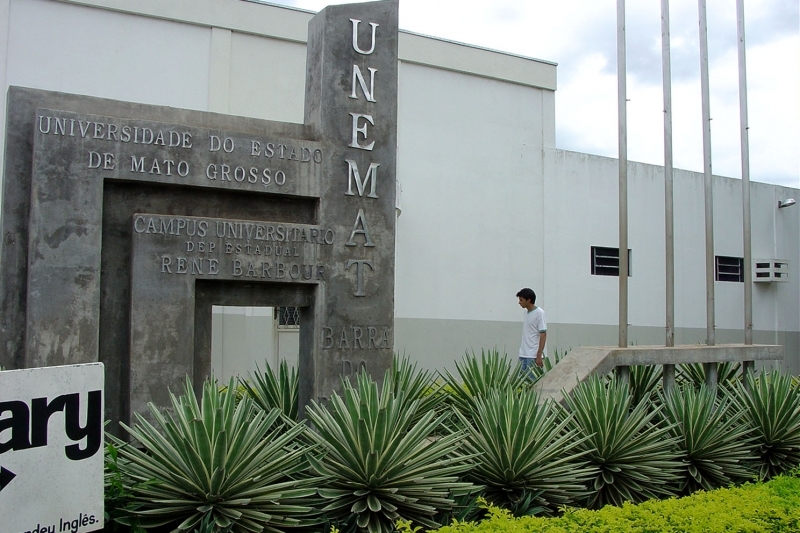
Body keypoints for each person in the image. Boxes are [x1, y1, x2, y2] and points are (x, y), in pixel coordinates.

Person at [516, 288, 547, 374]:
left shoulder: (539, 313)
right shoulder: (526, 313)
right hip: (523, 354)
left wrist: (539, 355)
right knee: (520, 380)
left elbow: (543, 334)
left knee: (532, 380)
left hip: (533, 356)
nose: (519, 302)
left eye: (521, 300)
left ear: (529, 300)